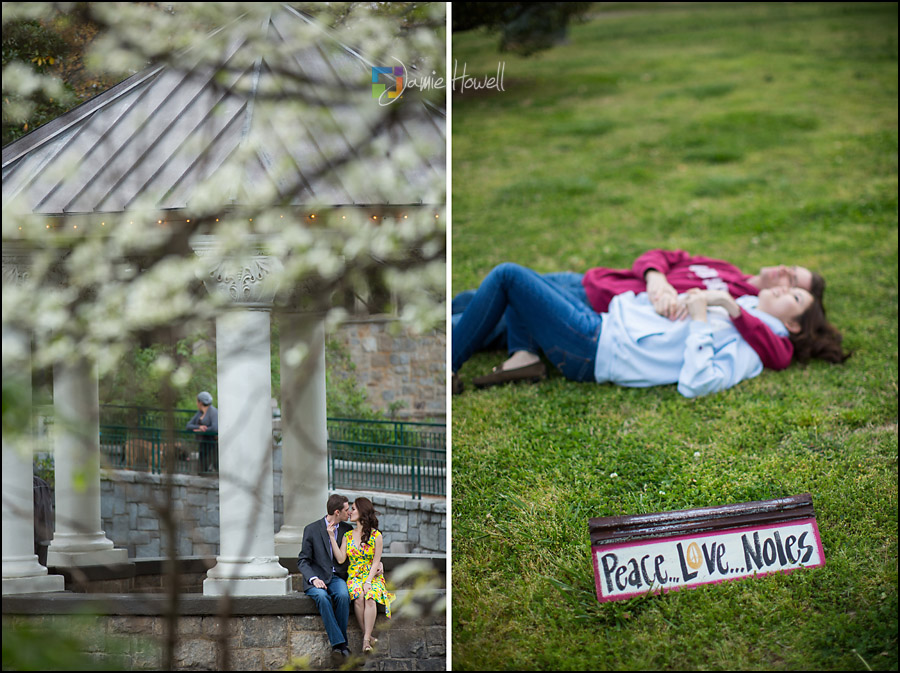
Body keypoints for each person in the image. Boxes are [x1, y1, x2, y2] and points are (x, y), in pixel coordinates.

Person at [452, 263, 848, 398]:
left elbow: (697, 383)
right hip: (606, 323)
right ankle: (524, 358)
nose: (783, 288)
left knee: (509, 277)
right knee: (523, 286)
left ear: (792, 324)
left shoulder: (758, 348)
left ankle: (448, 363)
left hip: (597, 345)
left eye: (794, 296)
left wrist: (698, 318)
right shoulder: (745, 306)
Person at [329, 497, 395, 654]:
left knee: (370, 596)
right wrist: (332, 537)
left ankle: (365, 640)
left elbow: (376, 562)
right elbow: (340, 558)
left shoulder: (376, 536)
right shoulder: (348, 536)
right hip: (354, 577)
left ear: (363, 511)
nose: (350, 512)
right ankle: (369, 637)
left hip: (372, 575)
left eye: (353, 508)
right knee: (358, 597)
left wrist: (368, 581)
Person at [299, 494, 354, 659]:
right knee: (322, 598)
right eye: (346, 510)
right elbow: (303, 560)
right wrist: (313, 579)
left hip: (337, 577)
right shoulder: (311, 529)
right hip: (316, 579)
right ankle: (341, 644)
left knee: (343, 595)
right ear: (337, 512)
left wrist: (378, 563)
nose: (349, 512)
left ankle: (338, 646)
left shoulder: (347, 530)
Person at [186, 391, 218, 472]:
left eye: (197, 401)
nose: (197, 403)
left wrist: (203, 430)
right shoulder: (199, 413)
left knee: (211, 465)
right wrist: (199, 427)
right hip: (202, 444)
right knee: (202, 468)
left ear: (200, 402)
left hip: (211, 444)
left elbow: (215, 428)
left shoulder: (213, 412)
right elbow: (188, 426)